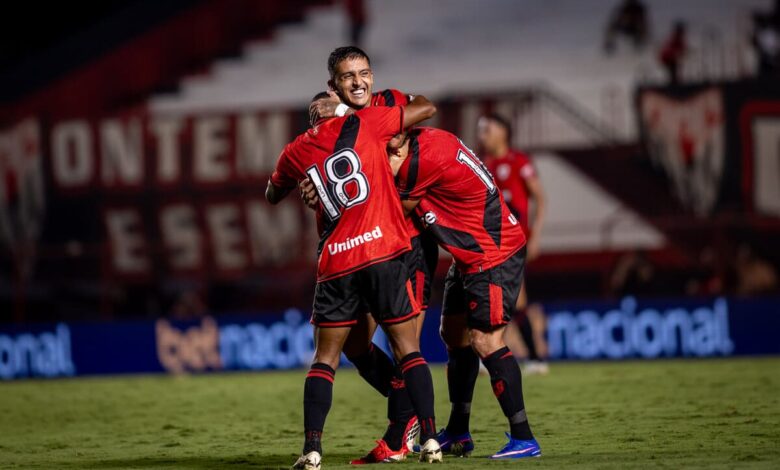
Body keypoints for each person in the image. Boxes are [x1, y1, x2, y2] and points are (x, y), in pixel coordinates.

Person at [266, 88, 442, 468]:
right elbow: (424, 109)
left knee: (324, 358)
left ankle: (312, 450)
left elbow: (271, 193)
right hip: (382, 251)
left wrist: (302, 178)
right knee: (405, 348)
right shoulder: (366, 122)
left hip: (337, 261)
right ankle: (430, 438)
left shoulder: (295, 150)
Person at [478, 113, 549, 375]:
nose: (482, 132)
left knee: (514, 299)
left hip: (515, 244)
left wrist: (537, 236)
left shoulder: (519, 161)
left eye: (487, 127)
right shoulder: (482, 163)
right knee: (500, 298)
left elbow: (540, 199)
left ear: (503, 131)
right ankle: (529, 358)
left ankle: (532, 358)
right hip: (490, 245)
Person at [658, 21, 687, 85]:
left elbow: (681, 48)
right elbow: (678, 48)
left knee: (674, 71)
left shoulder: (676, 37)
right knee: (673, 71)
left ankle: (674, 83)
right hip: (668, 57)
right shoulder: (676, 37)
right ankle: (674, 84)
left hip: (669, 57)